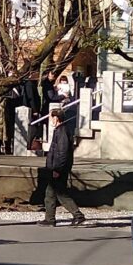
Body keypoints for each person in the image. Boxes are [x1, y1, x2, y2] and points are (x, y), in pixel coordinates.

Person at [35, 71, 87, 226]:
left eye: (52, 117)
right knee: (49, 194)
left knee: (60, 193)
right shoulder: (59, 130)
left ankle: (77, 215)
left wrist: (57, 168)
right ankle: (50, 219)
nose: (50, 120)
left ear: (57, 118)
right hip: (55, 167)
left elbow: (62, 152)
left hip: (59, 168)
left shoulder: (62, 132)